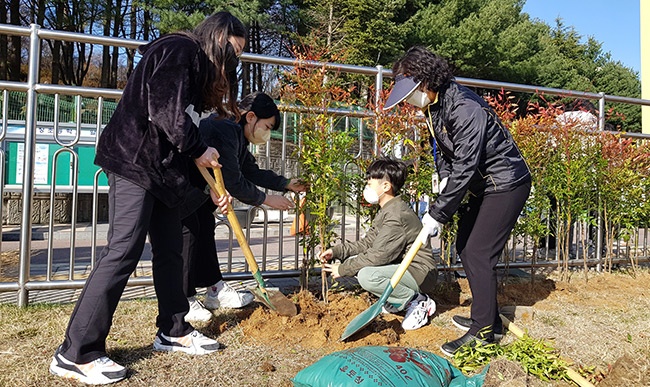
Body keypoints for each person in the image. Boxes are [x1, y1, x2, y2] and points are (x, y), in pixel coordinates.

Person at [49, 12, 247, 385]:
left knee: (171, 250)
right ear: (219, 39)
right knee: (122, 250)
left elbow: (177, 129)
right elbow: (164, 111)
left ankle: (172, 330)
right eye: (233, 54)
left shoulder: (194, 65)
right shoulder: (181, 49)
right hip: (134, 161)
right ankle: (76, 352)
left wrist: (209, 193)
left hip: (162, 173)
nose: (233, 65)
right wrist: (199, 148)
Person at [384, 46, 531, 356]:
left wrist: (439, 212)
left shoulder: (464, 107)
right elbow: (446, 154)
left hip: (505, 184)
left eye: (411, 90)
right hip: (482, 185)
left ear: (426, 81)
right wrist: (443, 180)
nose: (410, 99)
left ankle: (483, 333)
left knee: (479, 251)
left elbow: (466, 163)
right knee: (466, 245)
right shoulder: (434, 107)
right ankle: (487, 316)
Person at [182, 92, 308, 321]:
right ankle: (184, 300)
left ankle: (214, 290)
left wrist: (285, 184)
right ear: (251, 117)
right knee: (188, 238)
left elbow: (250, 171)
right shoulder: (224, 129)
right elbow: (234, 181)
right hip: (183, 191)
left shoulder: (236, 133)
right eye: (267, 127)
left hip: (199, 195)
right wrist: (266, 199)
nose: (267, 133)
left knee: (203, 230)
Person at [320, 157, 438, 331]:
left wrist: (343, 269)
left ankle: (418, 301)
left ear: (386, 186)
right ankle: (401, 301)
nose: (367, 185)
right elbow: (369, 243)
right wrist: (337, 251)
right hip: (406, 268)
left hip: (420, 271)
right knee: (365, 268)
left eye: (370, 182)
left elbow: (379, 255)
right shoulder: (388, 209)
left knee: (368, 275)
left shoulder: (396, 215)